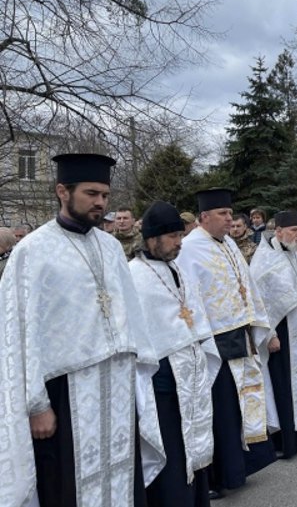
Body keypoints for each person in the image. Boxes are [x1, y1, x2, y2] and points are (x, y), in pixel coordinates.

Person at [0, 153, 165, 507]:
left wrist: (138, 379)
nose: (101, 203)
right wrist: (36, 404)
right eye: (92, 194)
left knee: (121, 476)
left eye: (105, 195)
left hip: (116, 386)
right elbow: (17, 333)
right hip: (66, 391)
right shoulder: (32, 251)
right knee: (67, 483)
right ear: (63, 191)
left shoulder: (109, 247)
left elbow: (130, 315)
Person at [176, 188, 278, 500]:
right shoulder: (190, 249)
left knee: (240, 403)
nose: (229, 219)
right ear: (204, 217)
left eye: (230, 214)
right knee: (219, 409)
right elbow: (189, 297)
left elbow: (247, 285)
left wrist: (263, 326)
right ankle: (219, 475)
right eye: (222, 214)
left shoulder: (229, 243)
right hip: (214, 342)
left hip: (241, 334)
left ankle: (242, 466)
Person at [130, 201, 221, 507]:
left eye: (181, 236)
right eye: (172, 237)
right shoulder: (134, 275)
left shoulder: (177, 269)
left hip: (190, 368)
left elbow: (193, 311)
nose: (179, 243)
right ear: (152, 237)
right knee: (171, 447)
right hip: (162, 377)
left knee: (192, 443)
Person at [250, 210, 297, 459]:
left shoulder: (294, 253)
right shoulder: (263, 260)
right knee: (282, 384)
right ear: (278, 232)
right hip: (281, 333)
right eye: (293, 231)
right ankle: (284, 440)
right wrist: (269, 335)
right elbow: (260, 303)